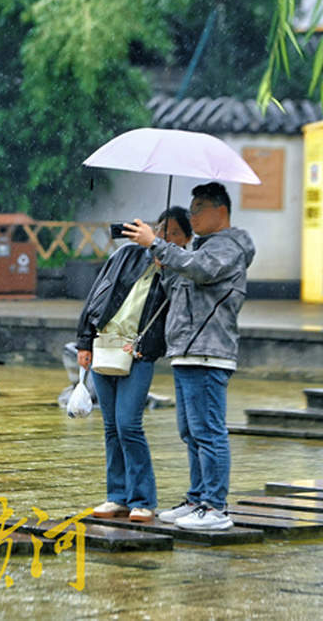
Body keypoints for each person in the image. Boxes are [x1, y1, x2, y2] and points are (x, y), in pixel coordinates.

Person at [123, 182, 255, 531]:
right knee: (191, 431)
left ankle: (215, 507)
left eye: (198, 209)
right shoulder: (202, 249)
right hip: (186, 351)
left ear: (220, 211)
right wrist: (164, 262)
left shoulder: (228, 247)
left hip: (207, 351)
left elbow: (202, 271)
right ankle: (197, 498)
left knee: (208, 431)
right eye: (191, 208)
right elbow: (180, 290)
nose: (192, 216)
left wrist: (157, 244)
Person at [76, 207, 193, 522]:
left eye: (174, 234)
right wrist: (84, 341)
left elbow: (178, 316)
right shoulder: (127, 255)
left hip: (139, 353)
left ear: (186, 239)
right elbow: (97, 296)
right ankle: (117, 496)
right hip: (105, 345)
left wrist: (168, 269)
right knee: (111, 427)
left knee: (128, 424)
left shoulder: (183, 270)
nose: (165, 237)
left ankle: (143, 499)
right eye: (162, 230)